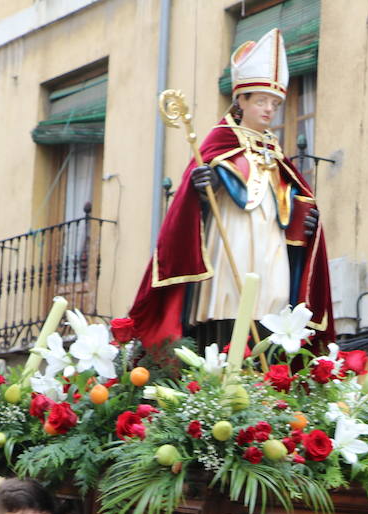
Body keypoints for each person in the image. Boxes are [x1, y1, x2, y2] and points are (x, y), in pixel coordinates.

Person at [128, 28, 332, 350]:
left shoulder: (276, 152)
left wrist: (303, 218)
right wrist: (200, 188)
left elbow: (288, 200)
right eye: (262, 101)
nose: (268, 110)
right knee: (230, 301)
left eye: (275, 104)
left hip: (271, 243)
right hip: (232, 237)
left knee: (275, 302)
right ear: (242, 100)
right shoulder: (217, 142)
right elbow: (191, 201)